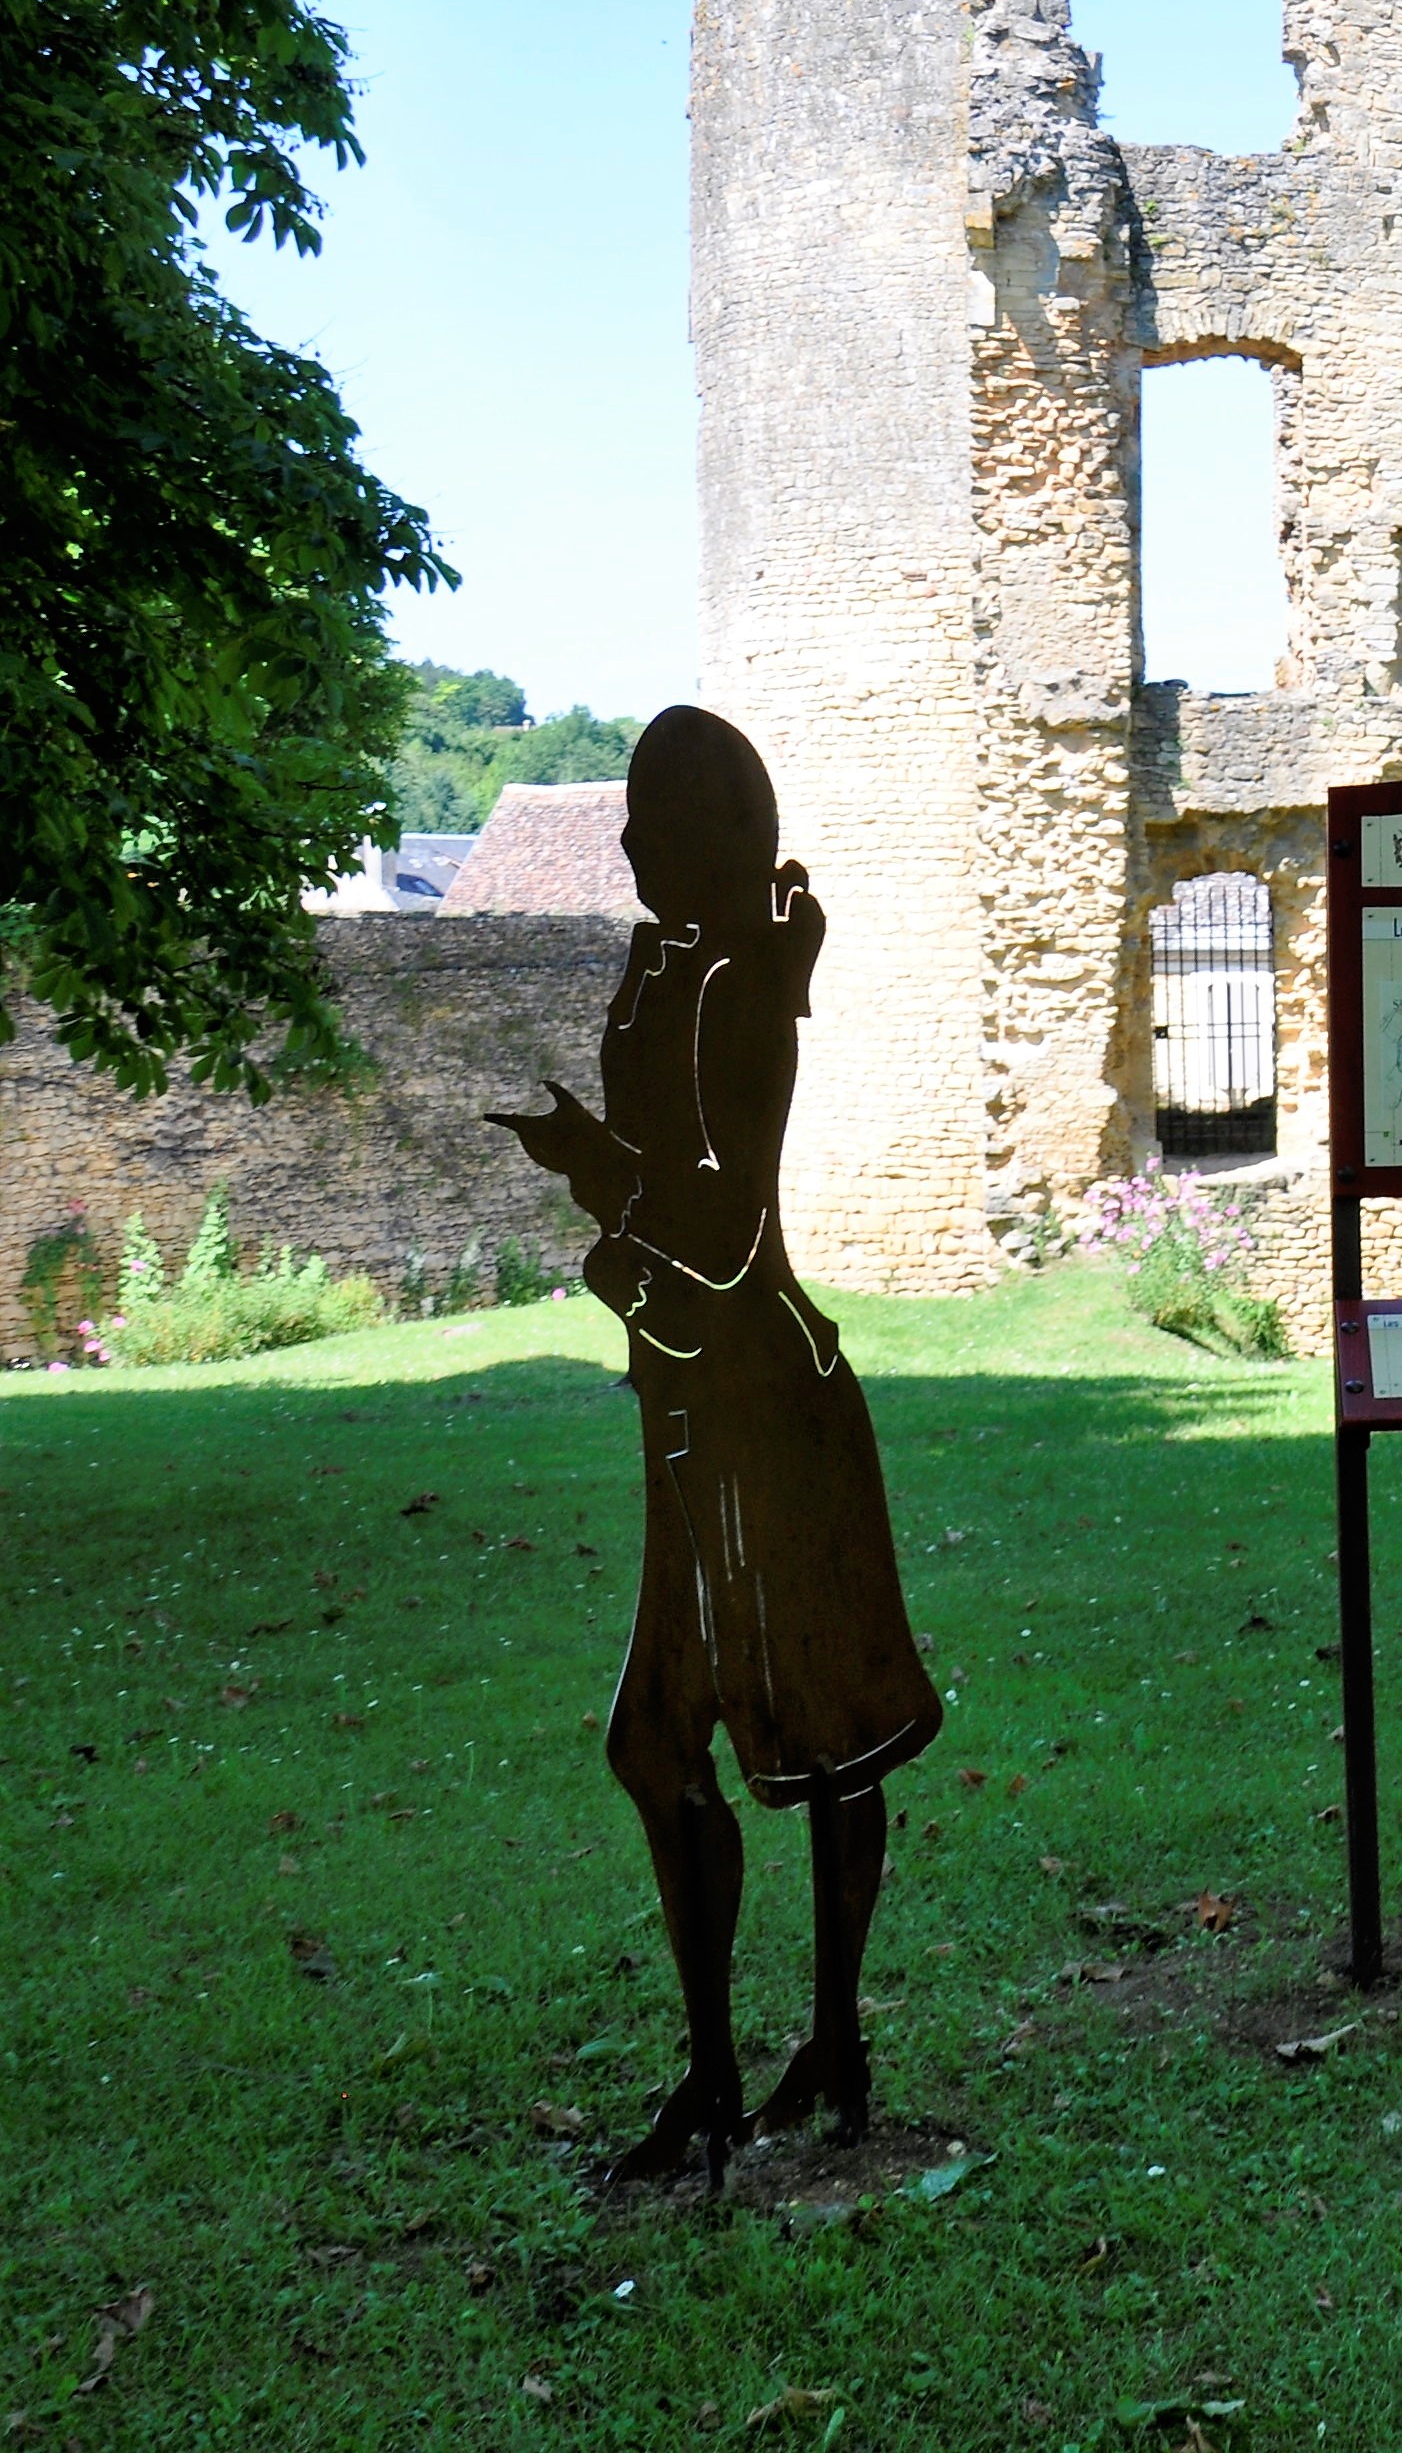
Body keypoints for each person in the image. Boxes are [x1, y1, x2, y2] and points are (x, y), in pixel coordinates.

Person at [493, 708, 936, 2185]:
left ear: (716, 836)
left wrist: (607, 1249)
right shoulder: (667, 967)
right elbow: (672, 1182)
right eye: (625, 818)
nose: (625, 844)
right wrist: (591, 1161)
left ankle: (821, 2049)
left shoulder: (743, 979)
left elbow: (732, 1234)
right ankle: (727, 2072)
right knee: (665, 1738)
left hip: (764, 1407)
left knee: (819, 1733)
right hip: (697, 1408)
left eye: (653, 820)